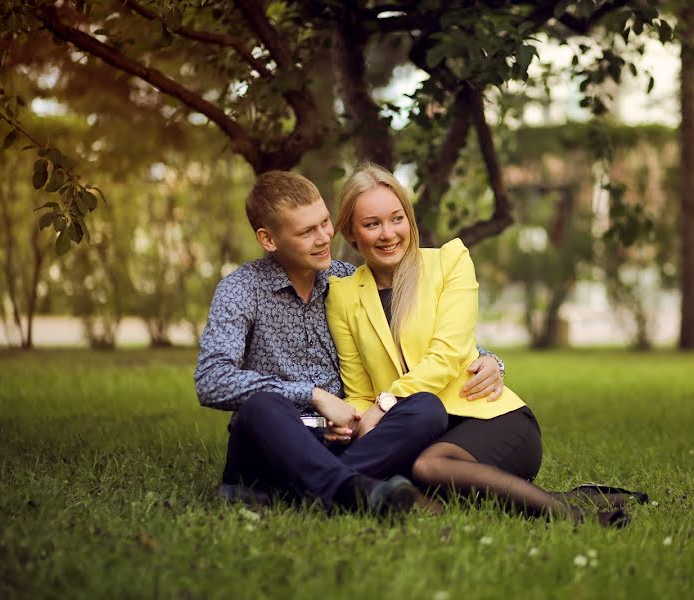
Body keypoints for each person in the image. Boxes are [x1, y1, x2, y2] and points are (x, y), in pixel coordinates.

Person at [326, 163, 641, 525]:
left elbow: (447, 356)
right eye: (372, 224)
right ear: (351, 233)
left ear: (409, 220)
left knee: (429, 467)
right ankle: (575, 497)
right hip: (416, 431)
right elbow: (358, 388)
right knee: (405, 476)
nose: (388, 233)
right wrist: (361, 421)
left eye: (397, 218)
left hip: (487, 416)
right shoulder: (343, 295)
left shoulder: (449, 262)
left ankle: (578, 518)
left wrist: (385, 404)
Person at [194, 170, 506, 515]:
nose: (324, 237)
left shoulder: (345, 279)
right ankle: (351, 488)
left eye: (325, 222)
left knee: (426, 408)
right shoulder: (241, 290)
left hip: (347, 440)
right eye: (306, 231)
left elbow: (418, 339)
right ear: (269, 239)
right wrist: (313, 395)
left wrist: (490, 360)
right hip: (274, 439)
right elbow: (211, 379)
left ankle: (312, 493)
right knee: (262, 407)